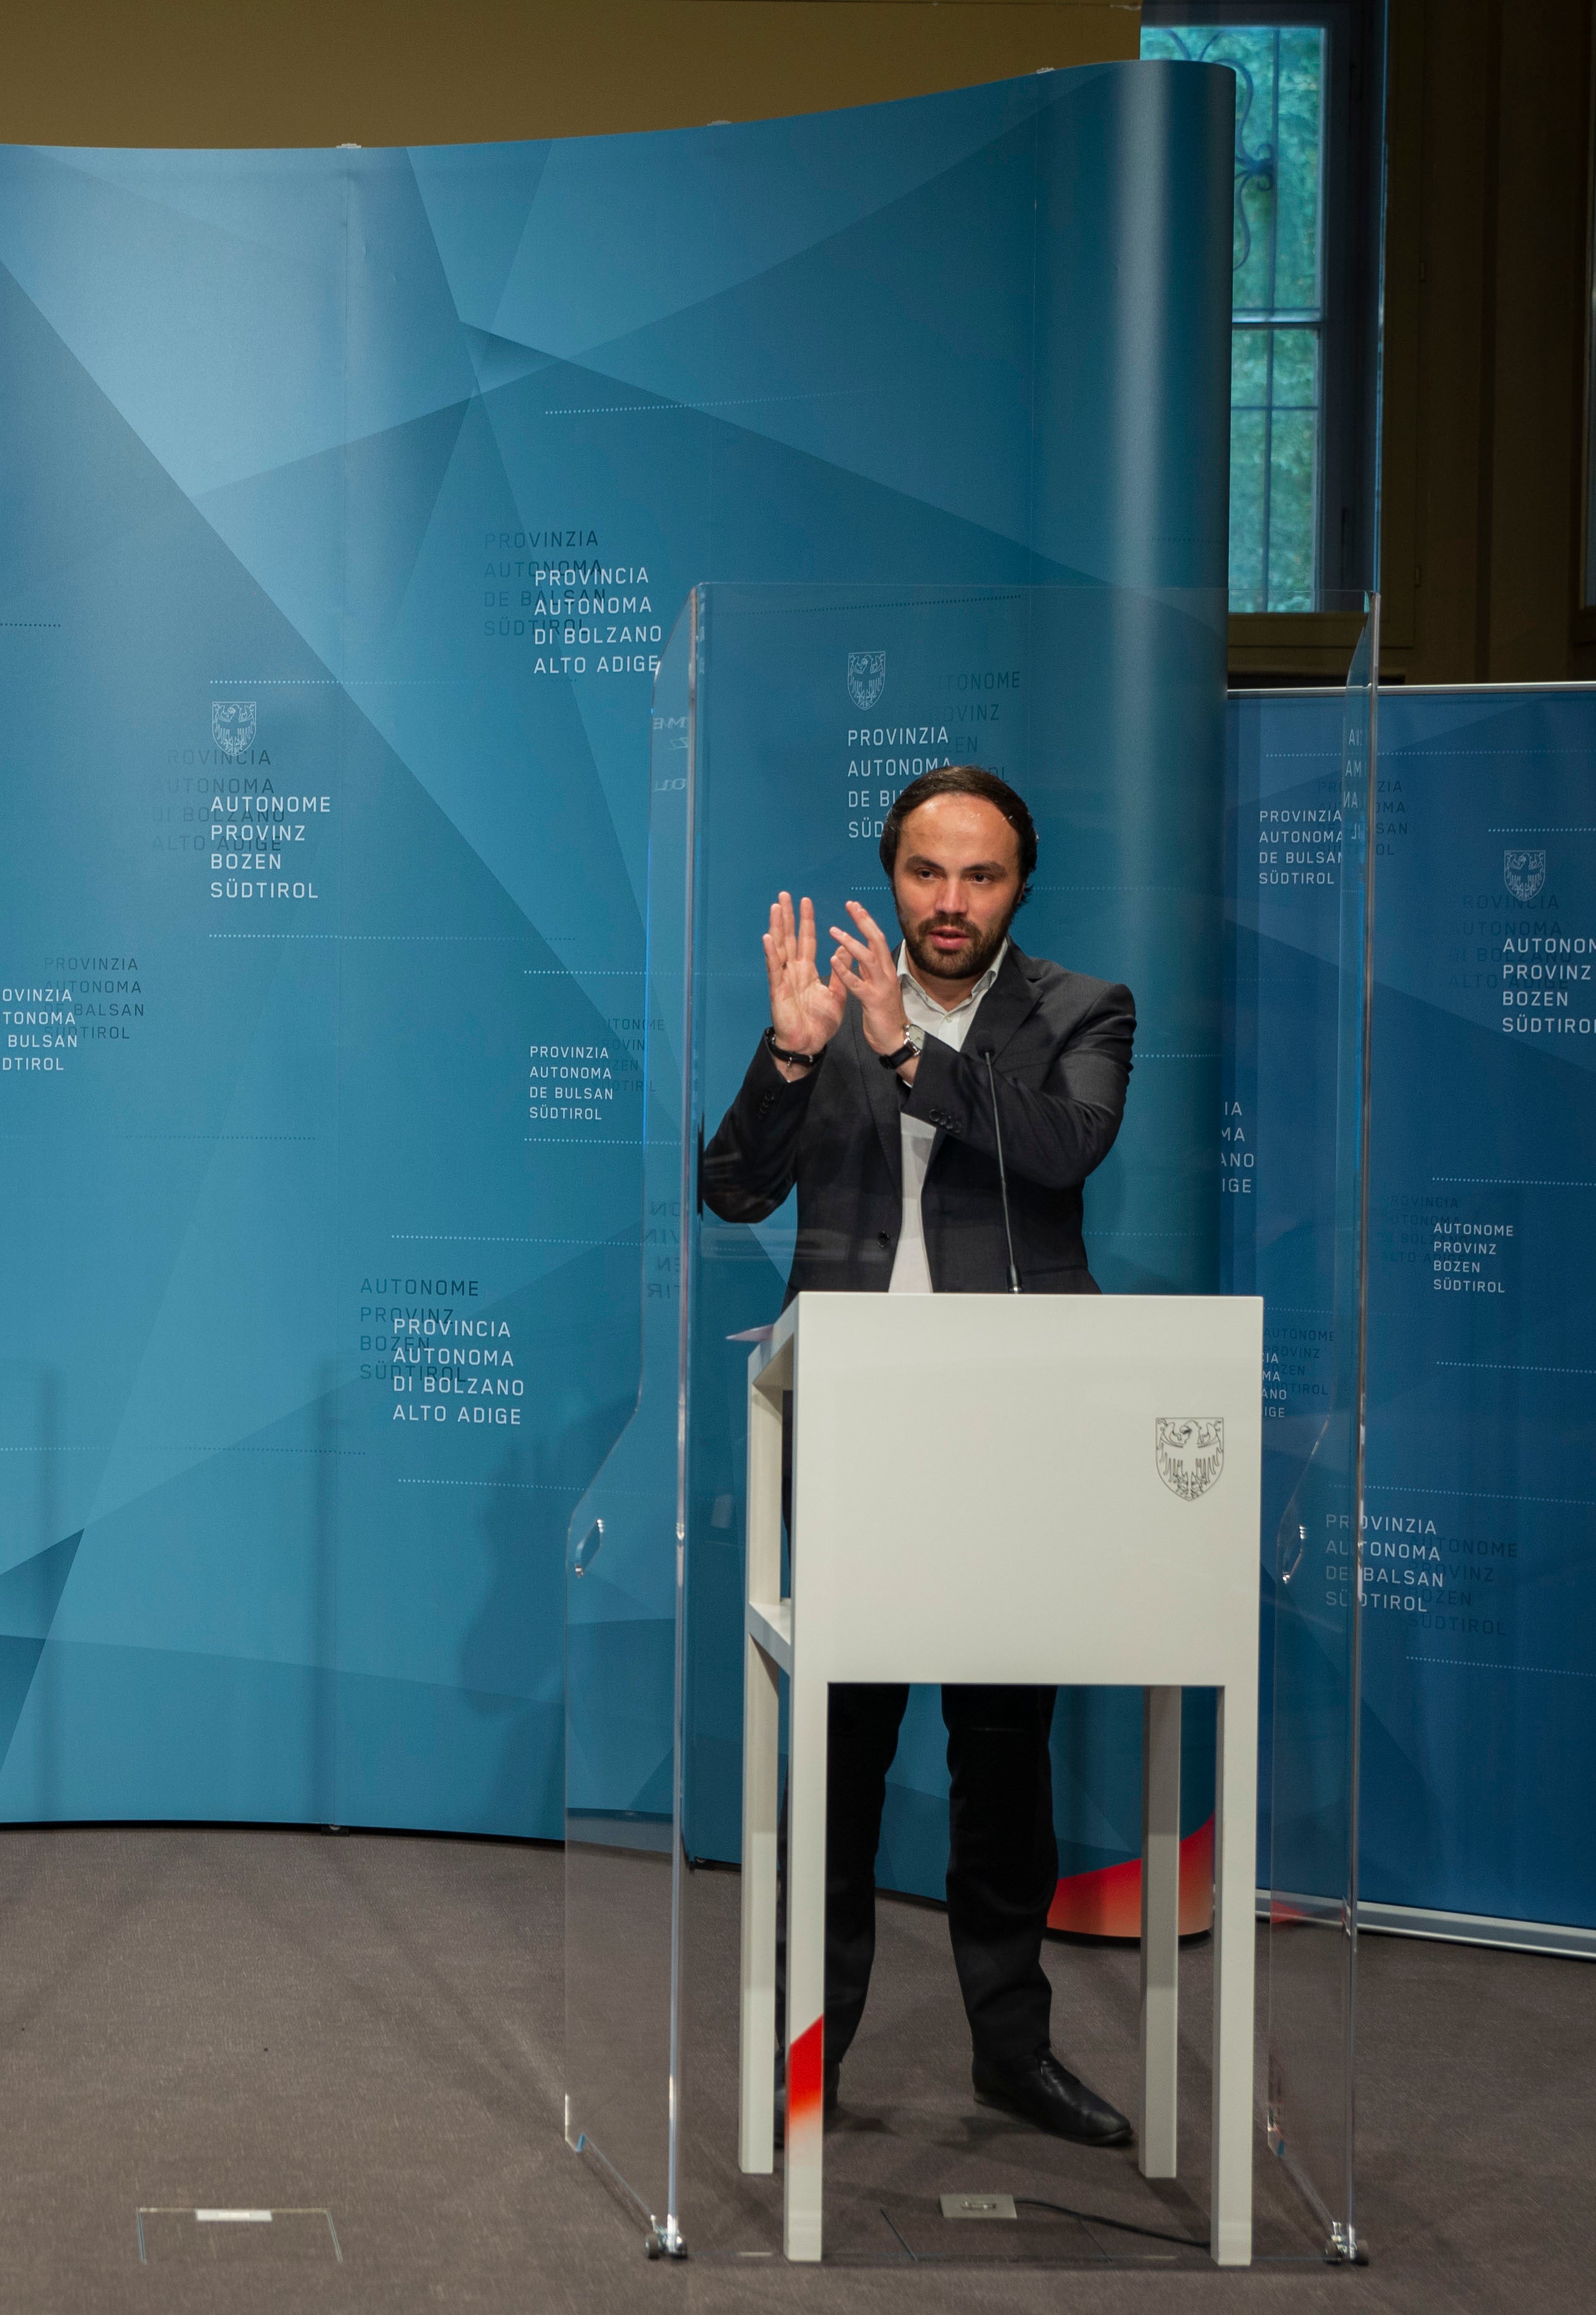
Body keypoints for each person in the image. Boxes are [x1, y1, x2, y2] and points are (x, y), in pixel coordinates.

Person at [699, 763, 1139, 2149]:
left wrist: (908, 1058)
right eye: (926, 872)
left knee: (1003, 1763)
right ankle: (809, 2057)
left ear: (1020, 885)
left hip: (1015, 1439)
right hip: (852, 1428)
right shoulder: (828, 1007)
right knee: (839, 1760)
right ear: (892, 875)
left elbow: (1063, 1150)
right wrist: (790, 1057)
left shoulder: (1082, 1010)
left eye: (980, 875)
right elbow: (732, 1190)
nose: (950, 902)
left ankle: (1012, 2052)